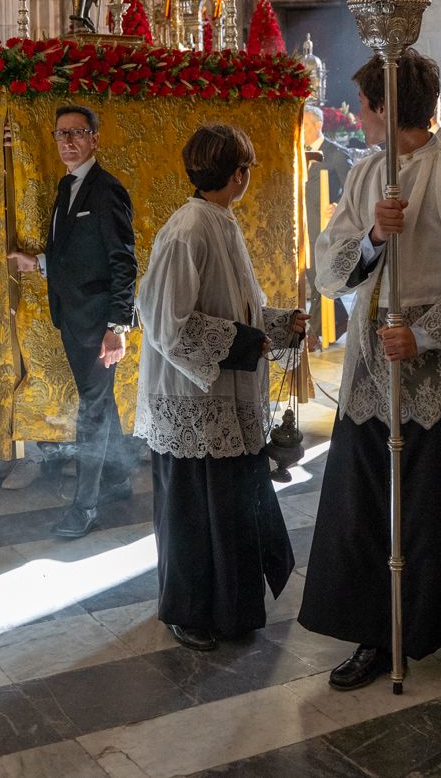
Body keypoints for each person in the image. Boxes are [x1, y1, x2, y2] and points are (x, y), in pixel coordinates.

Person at [297, 51, 441, 696]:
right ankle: (374, 631)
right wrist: (370, 237)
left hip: (435, 371)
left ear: (388, 108)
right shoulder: (368, 173)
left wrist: (424, 335)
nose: (358, 119)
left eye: (366, 107)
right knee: (368, 507)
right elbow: (331, 269)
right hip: (372, 369)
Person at [136, 124, 304, 651]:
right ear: (234, 173)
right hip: (192, 402)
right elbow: (166, 322)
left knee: (230, 509)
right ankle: (188, 611)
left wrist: (279, 325)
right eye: (245, 168)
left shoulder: (221, 221)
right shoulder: (187, 229)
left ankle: (231, 611)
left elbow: (238, 310)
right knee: (192, 513)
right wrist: (243, 343)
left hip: (224, 399)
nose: (247, 177)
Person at [6, 104, 139, 537]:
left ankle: (84, 508)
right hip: (73, 318)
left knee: (93, 411)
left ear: (95, 139)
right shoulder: (67, 188)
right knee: (99, 399)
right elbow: (76, 254)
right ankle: (118, 478)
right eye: (61, 134)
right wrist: (39, 263)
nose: (67, 142)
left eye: (77, 133)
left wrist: (117, 328)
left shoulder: (106, 190)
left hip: (99, 324)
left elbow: (123, 263)